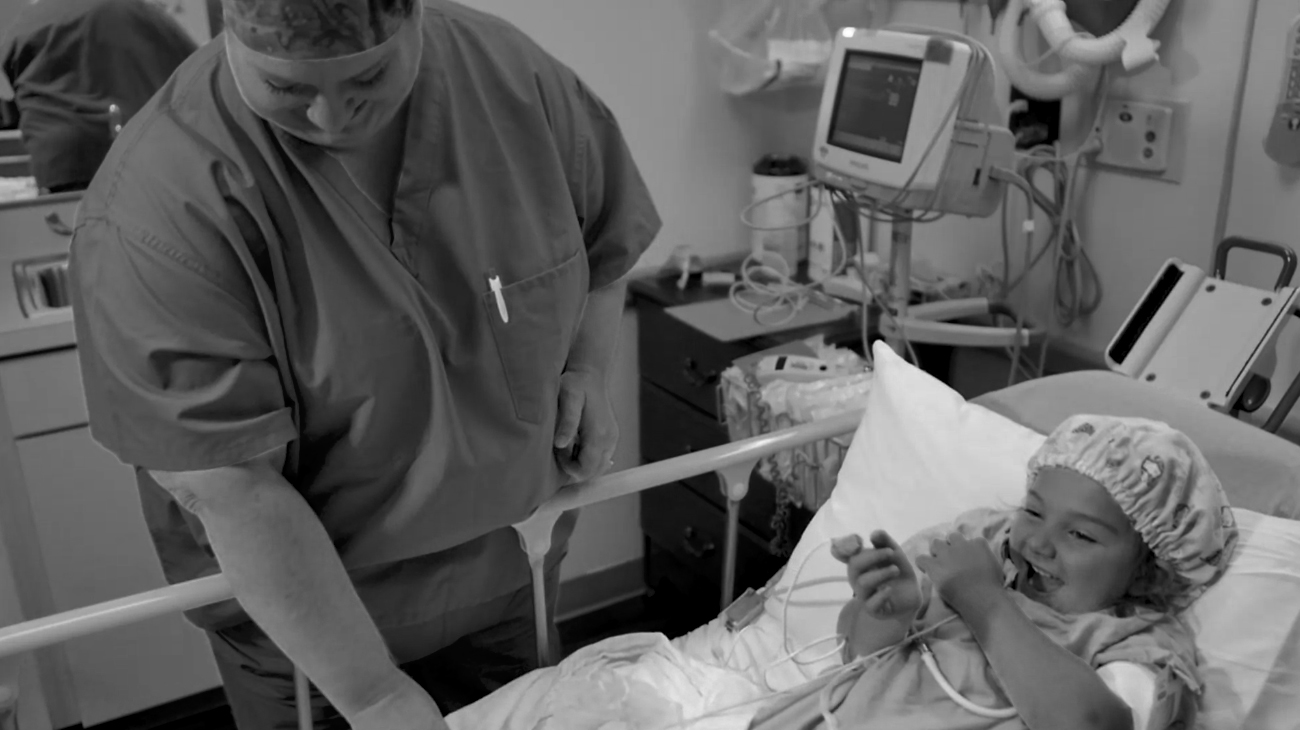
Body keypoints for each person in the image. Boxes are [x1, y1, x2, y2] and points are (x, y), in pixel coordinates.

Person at [66, 0, 661, 728]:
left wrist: (587, 369)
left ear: (416, 18)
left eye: (370, 77)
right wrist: (372, 694)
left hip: (512, 570)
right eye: (289, 90)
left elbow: (603, 239)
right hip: (313, 632)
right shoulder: (163, 205)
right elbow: (224, 482)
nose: (333, 118)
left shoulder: (513, 80)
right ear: (228, 31)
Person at [760, 414, 1237, 730]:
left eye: (1082, 536)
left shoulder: (1135, 638)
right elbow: (856, 654)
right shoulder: (979, 545)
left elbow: (1092, 724)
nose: (1039, 543)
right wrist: (889, 613)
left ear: (1147, 571)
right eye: (1033, 511)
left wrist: (986, 604)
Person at [0, 0, 198, 192]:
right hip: (145, 156)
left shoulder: (29, 21)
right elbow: (199, 72)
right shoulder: (140, 12)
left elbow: (15, 94)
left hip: (62, 162)